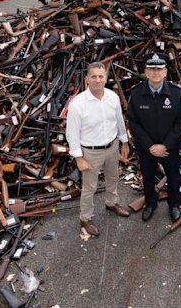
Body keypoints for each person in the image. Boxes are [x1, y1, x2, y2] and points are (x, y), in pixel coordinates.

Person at [66, 62, 131, 237]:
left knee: (113, 178)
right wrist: (79, 158)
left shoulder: (112, 97)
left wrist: (124, 142)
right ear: (87, 79)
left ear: (106, 78)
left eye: (101, 76)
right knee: (89, 187)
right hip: (91, 152)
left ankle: (111, 203)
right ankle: (85, 218)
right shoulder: (78, 104)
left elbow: (119, 121)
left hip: (112, 146)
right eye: (93, 76)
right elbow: (71, 133)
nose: (97, 80)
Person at [127, 52, 181, 222]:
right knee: (147, 176)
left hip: (170, 147)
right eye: (151, 69)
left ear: (166, 72)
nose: (155, 73)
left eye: (159, 69)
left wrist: (165, 145)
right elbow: (133, 122)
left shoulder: (176, 94)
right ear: (145, 72)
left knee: (174, 176)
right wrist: (150, 146)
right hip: (147, 148)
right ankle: (150, 203)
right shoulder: (137, 94)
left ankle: (174, 204)